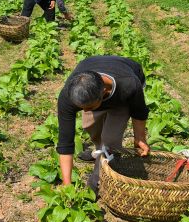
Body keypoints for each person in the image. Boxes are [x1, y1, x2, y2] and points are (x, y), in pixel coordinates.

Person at [55, 55, 150, 192]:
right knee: (89, 125)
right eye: (82, 107)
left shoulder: (129, 85)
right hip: (92, 65)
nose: (84, 111)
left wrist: (140, 138)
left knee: (111, 139)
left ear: (104, 92)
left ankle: (98, 179)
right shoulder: (67, 96)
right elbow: (65, 142)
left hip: (125, 80)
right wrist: (67, 184)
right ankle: (100, 150)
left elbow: (139, 111)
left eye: (89, 107)